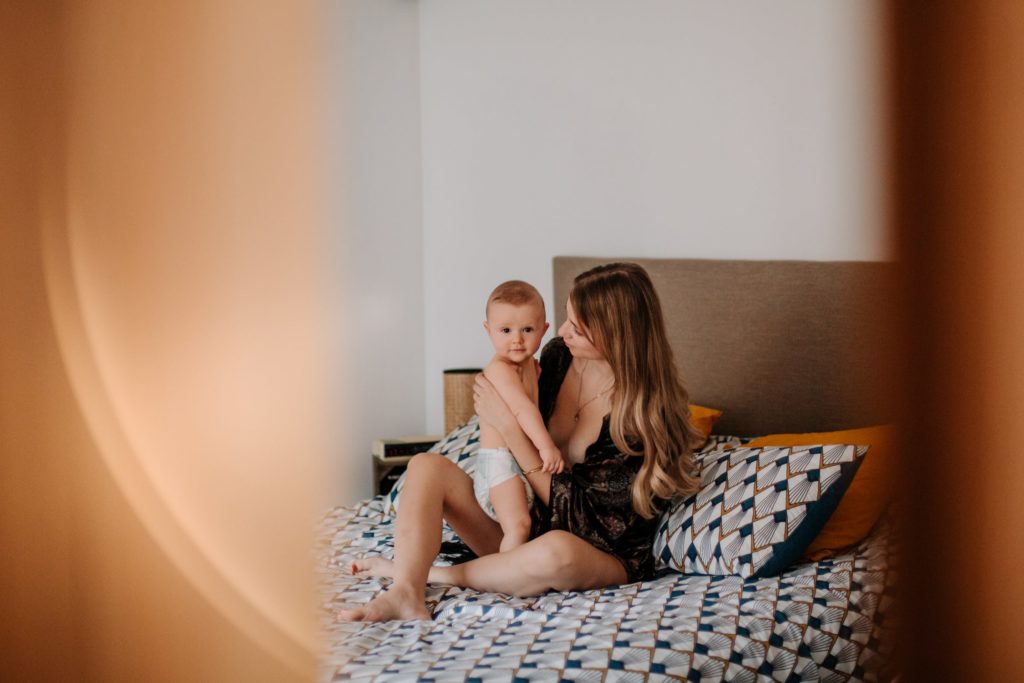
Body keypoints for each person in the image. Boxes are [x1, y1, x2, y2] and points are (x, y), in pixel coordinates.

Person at [338, 262, 702, 622]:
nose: (560, 331)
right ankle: (405, 590)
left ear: (615, 334)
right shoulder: (559, 356)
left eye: (577, 326)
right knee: (425, 466)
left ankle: (435, 575)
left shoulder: (642, 417)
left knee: (556, 552)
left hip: (594, 548)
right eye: (566, 317)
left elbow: (581, 522)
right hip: (524, 523)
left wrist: (508, 427)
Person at [475, 280, 564, 553]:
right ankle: (504, 577)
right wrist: (546, 446)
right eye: (505, 330)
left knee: (529, 529)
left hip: (521, 463)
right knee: (518, 526)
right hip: (500, 465)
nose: (517, 339)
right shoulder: (501, 369)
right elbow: (523, 410)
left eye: (527, 329)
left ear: (544, 330)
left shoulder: (530, 366)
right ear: (488, 330)